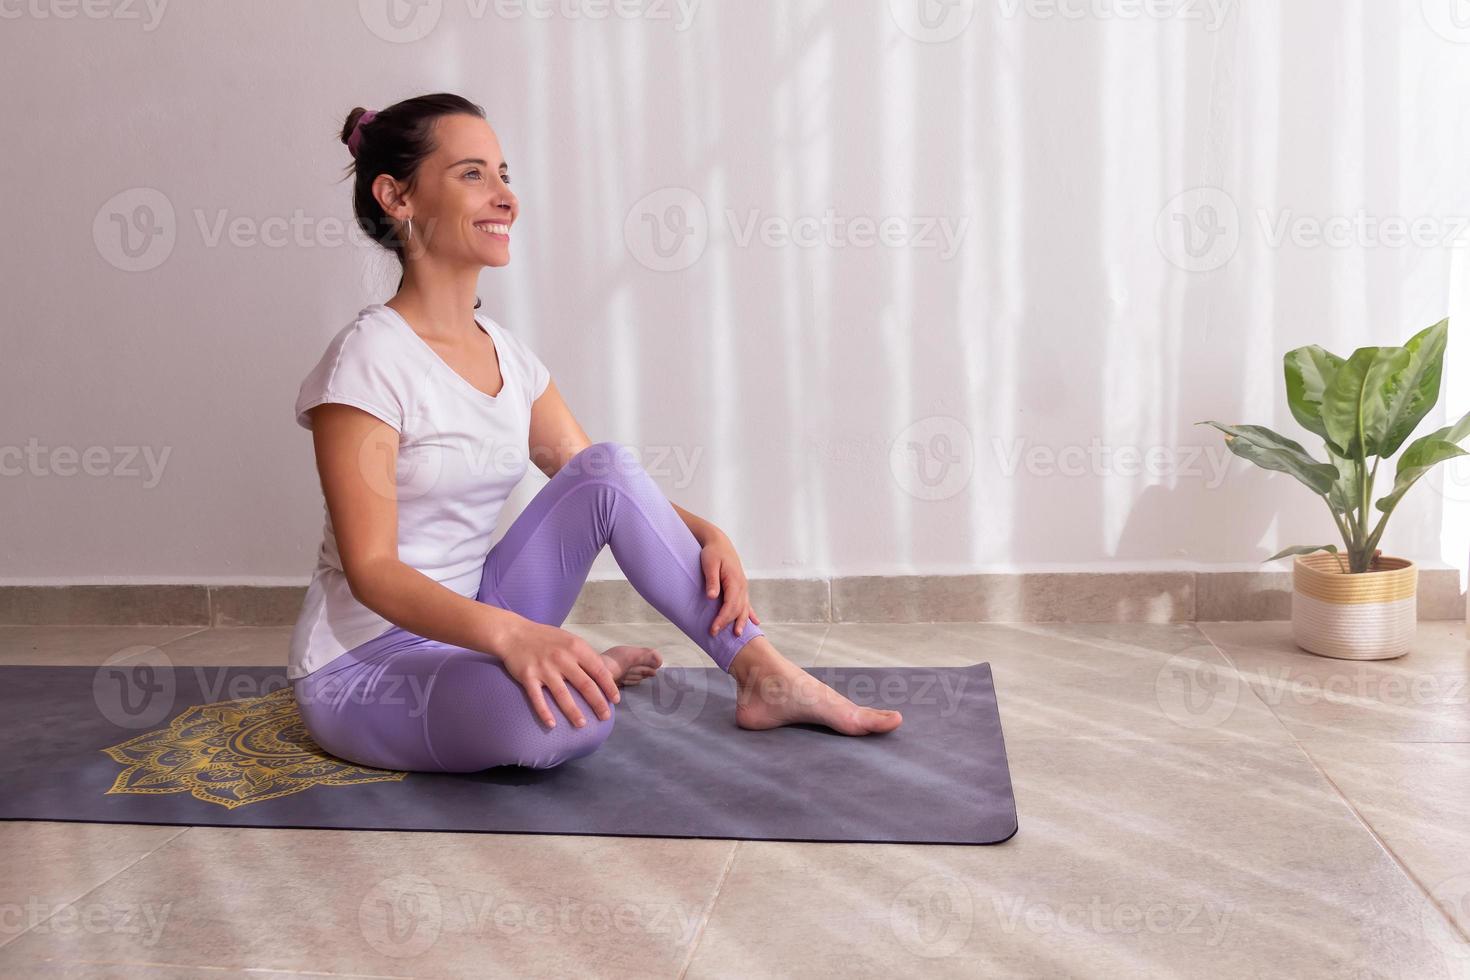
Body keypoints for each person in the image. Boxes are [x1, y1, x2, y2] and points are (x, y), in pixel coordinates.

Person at [288, 93, 902, 773]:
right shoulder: (368, 359)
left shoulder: (508, 356)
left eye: (504, 175)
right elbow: (373, 571)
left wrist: (706, 533)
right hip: (366, 668)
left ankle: (763, 674)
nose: (505, 198)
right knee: (560, 727)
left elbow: (604, 485)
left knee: (605, 466)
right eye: (472, 175)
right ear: (396, 198)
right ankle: (575, 671)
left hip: (480, 622)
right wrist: (515, 637)